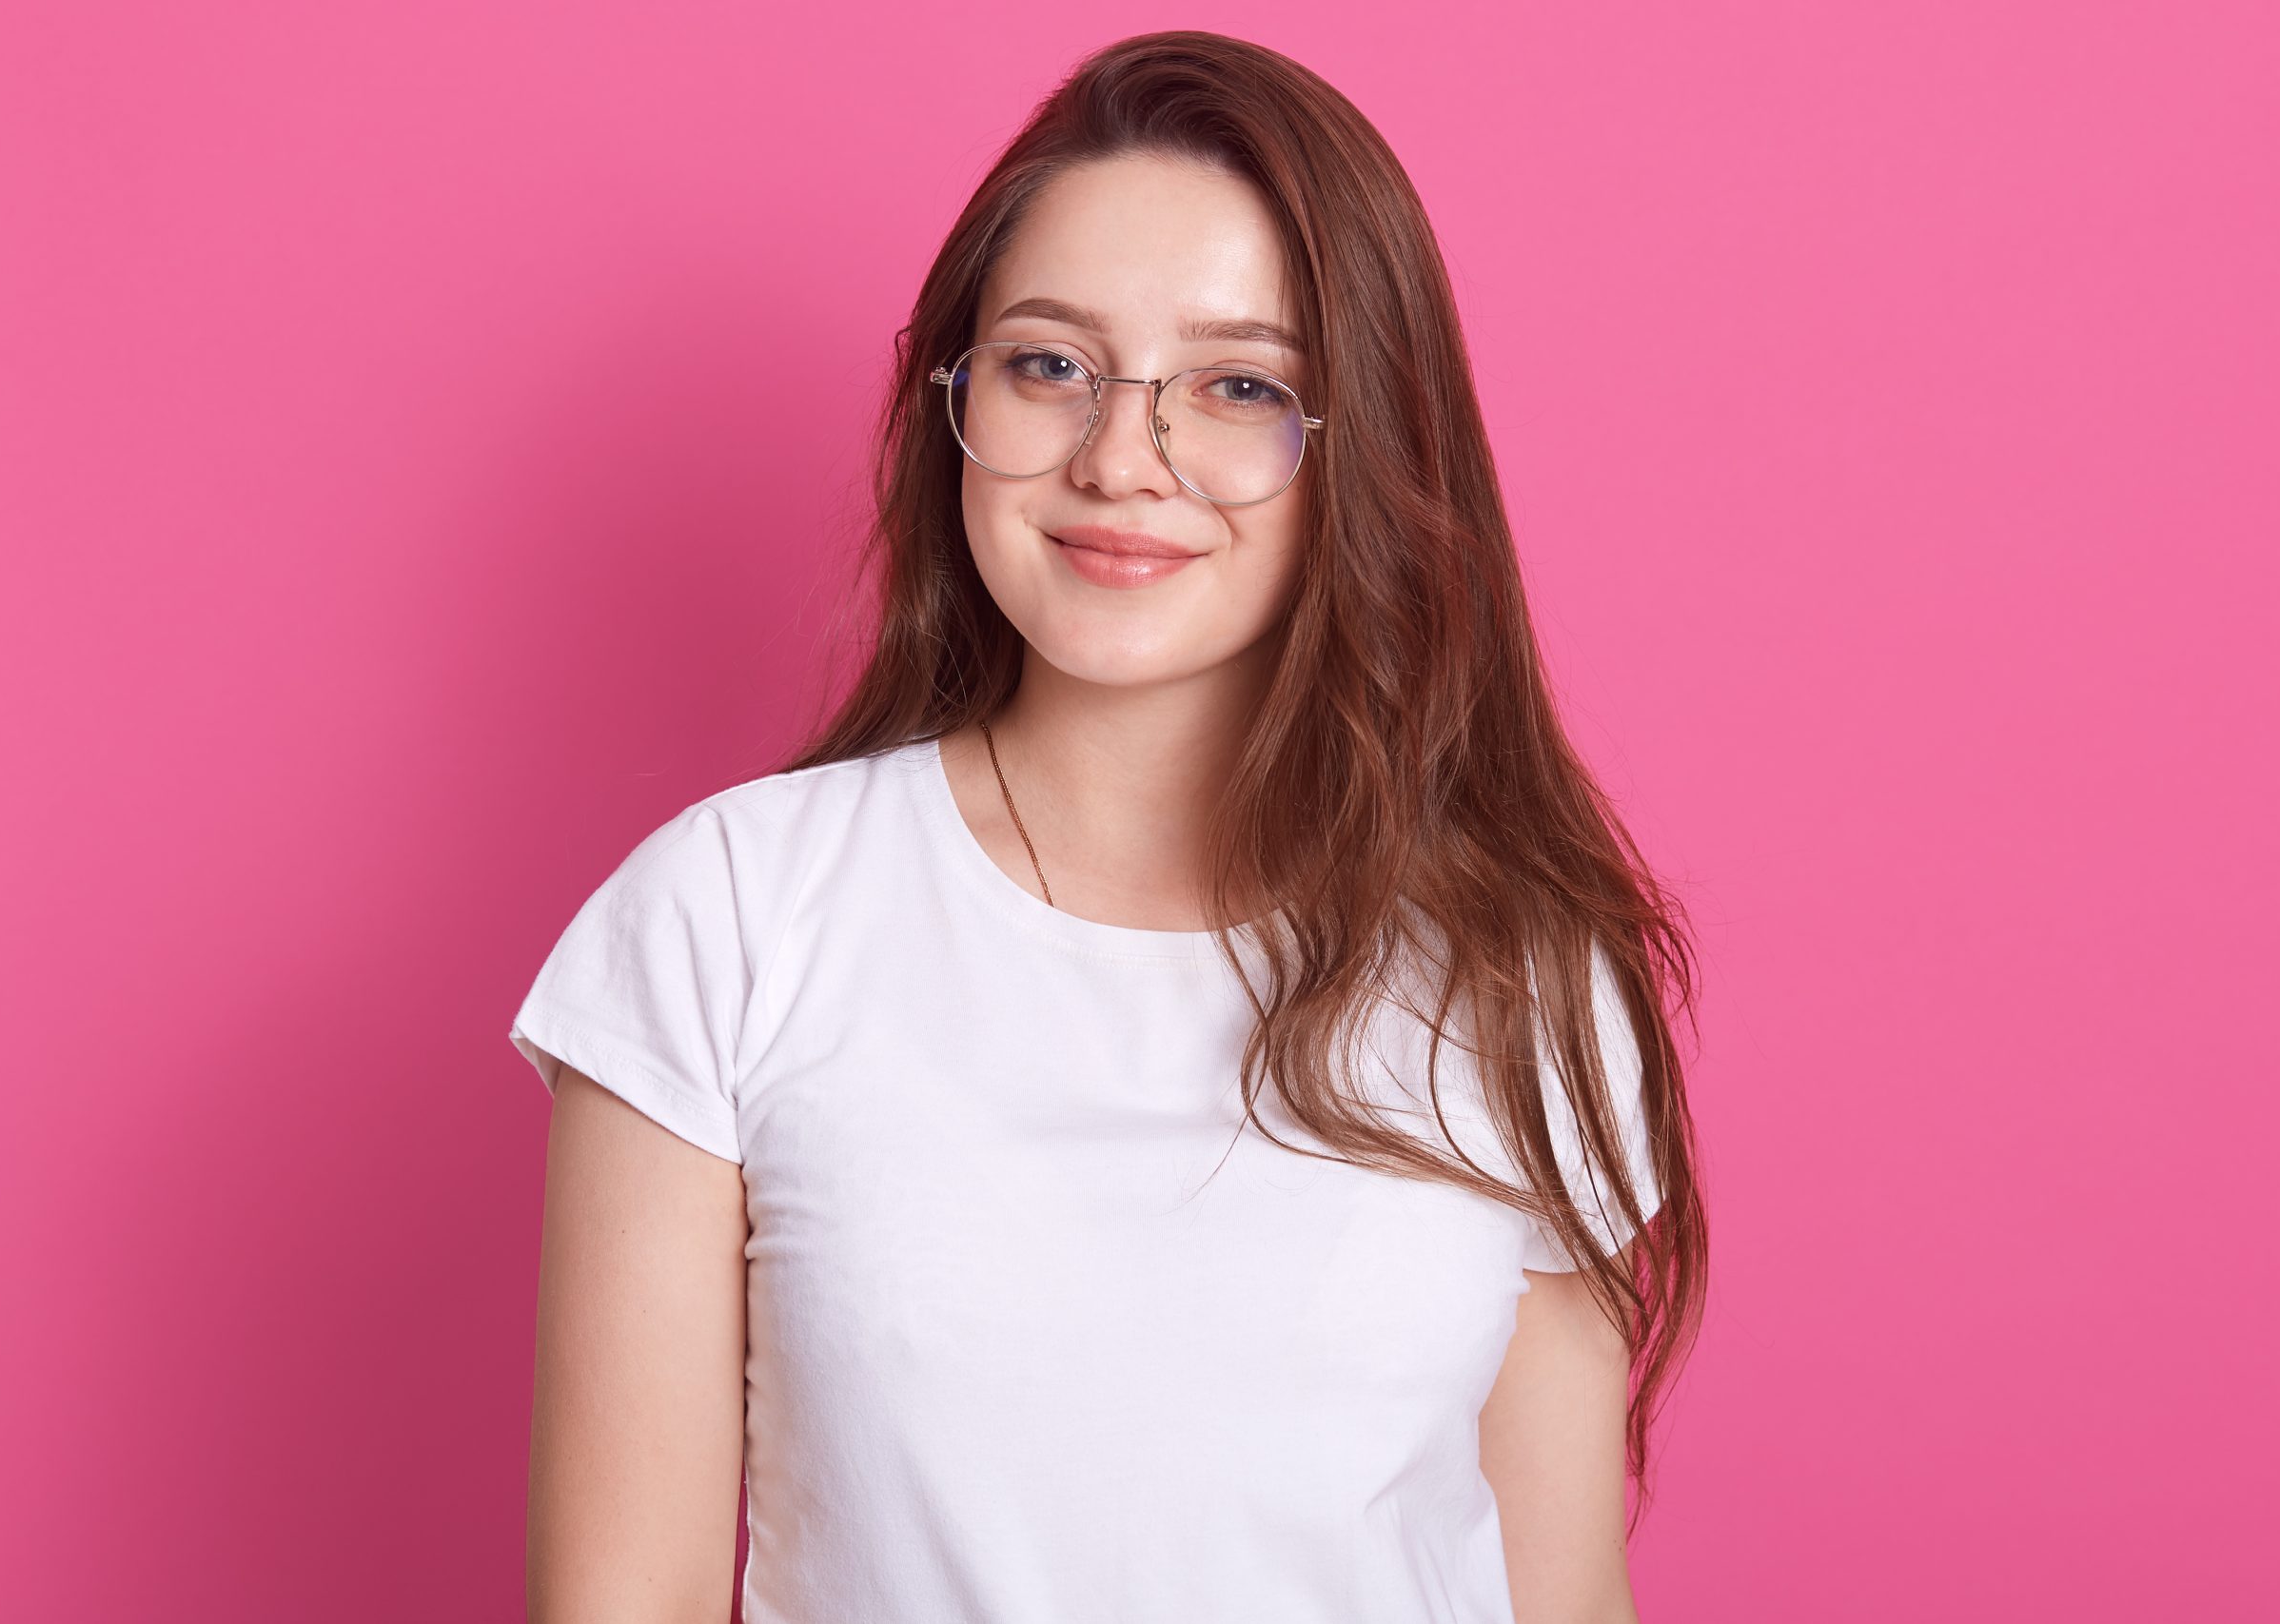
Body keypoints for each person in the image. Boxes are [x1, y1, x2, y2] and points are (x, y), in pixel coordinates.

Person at [510, 29, 1706, 1624]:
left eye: (1239, 386)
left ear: (1368, 445)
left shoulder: (1516, 977)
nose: (1120, 459)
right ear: (954, 400)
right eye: (1051, 364)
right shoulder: (728, 920)